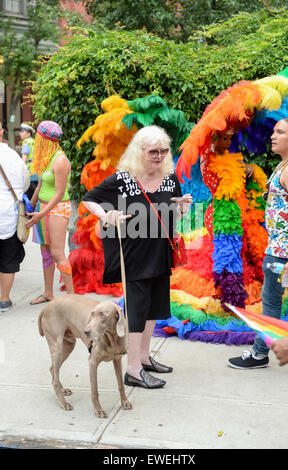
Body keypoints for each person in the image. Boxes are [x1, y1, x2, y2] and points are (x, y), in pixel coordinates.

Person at [82, 125, 192, 389]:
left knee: (154, 307)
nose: (159, 155)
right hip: (134, 254)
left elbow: (173, 214)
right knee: (137, 309)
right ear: (139, 151)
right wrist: (106, 215)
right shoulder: (124, 178)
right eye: (153, 151)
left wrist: (182, 208)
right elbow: (90, 198)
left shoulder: (168, 177)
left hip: (160, 250)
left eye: (163, 150)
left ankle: (143, 358)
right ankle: (132, 370)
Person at [228, 118, 288, 369]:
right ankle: (259, 353)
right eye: (273, 132)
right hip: (279, 250)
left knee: (271, 303)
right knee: (271, 303)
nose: (273, 136)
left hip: (286, 255)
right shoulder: (284, 165)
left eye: (280, 132)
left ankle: (259, 354)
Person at [25, 120, 74, 304]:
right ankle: (48, 293)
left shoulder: (60, 160)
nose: (37, 139)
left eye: (39, 136)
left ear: (45, 139)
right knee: (45, 251)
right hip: (42, 209)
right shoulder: (47, 157)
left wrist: (42, 213)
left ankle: (72, 300)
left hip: (57, 208)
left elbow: (60, 193)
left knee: (57, 252)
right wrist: (30, 207)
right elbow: (39, 187)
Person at [0, 120, 29, 312]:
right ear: (1, 131)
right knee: (8, 259)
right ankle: (4, 300)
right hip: (9, 216)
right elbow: (25, 182)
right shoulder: (12, 156)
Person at [19, 123, 38, 200]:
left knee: (28, 196)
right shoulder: (34, 141)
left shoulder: (26, 142)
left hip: (29, 172)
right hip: (36, 171)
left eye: (22, 131)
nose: (20, 133)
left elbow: (24, 158)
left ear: (28, 133)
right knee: (35, 193)